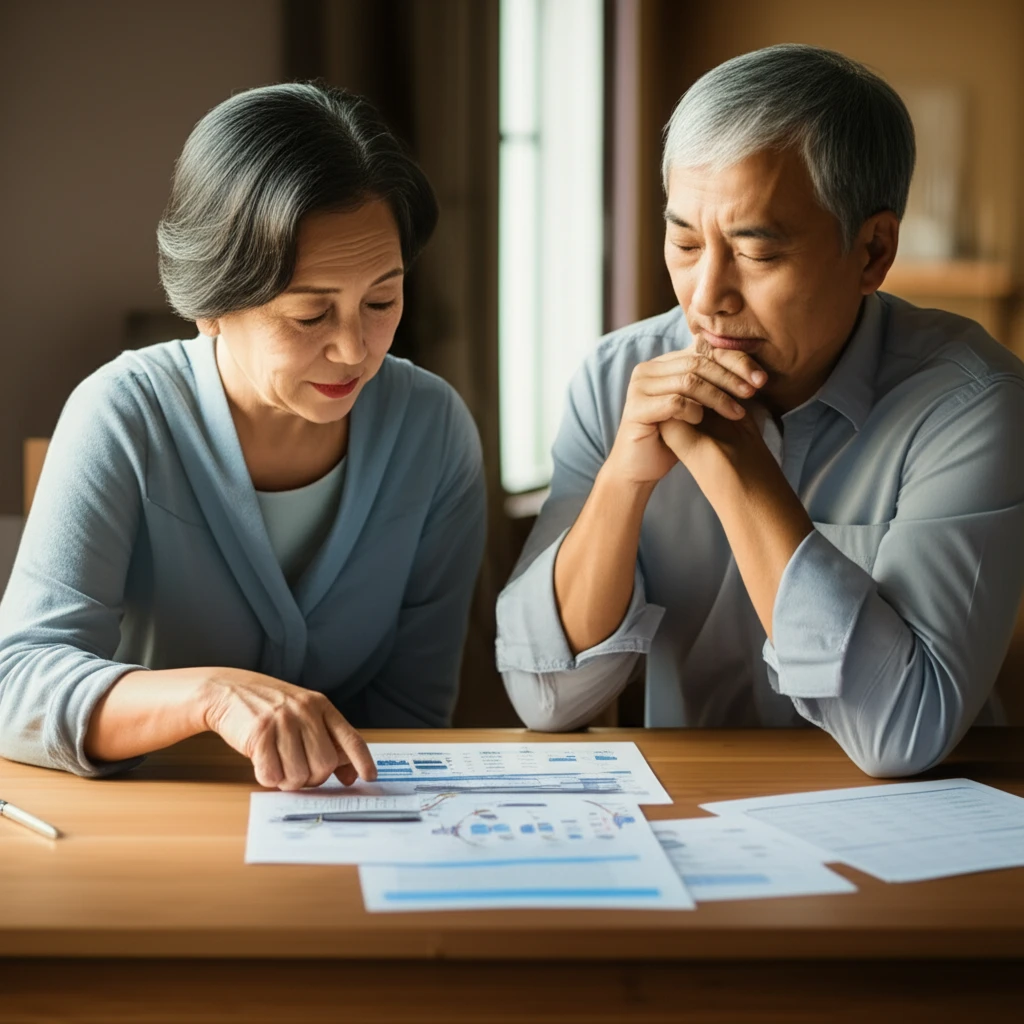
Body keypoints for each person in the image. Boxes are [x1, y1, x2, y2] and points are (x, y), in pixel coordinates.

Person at [496, 44, 1024, 777]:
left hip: (915, 831)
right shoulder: (619, 375)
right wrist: (623, 481)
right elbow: (546, 699)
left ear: (873, 252)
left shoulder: (972, 405)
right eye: (684, 241)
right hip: (694, 808)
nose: (705, 295)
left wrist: (736, 463)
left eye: (756, 254)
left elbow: (901, 732)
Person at [0, 84, 486, 789]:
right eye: (310, 315)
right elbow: (16, 682)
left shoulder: (432, 430)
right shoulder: (124, 415)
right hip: (153, 817)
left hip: (348, 818)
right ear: (211, 307)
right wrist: (210, 696)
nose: (355, 349)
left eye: (381, 300)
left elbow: (412, 710)